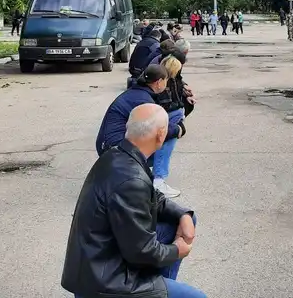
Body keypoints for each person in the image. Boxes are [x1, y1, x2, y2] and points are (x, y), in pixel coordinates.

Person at [62, 104, 204, 298]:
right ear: (161, 134)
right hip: (107, 282)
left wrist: (183, 214)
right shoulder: (131, 178)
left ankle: (159, 288)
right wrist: (177, 250)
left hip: (99, 263)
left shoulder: (118, 154)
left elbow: (152, 196)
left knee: (178, 221)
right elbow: (142, 252)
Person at [96, 65, 178, 156]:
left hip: (107, 143)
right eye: (166, 80)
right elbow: (157, 129)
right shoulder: (144, 101)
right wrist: (178, 129)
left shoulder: (137, 92)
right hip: (114, 148)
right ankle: (157, 166)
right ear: (159, 82)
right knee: (159, 139)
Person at [153, 55, 189, 197]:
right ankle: (158, 181)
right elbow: (165, 104)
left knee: (165, 146)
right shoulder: (165, 83)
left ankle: (158, 177)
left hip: (170, 115)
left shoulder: (170, 79)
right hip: (168, 117)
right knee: (165, 146)